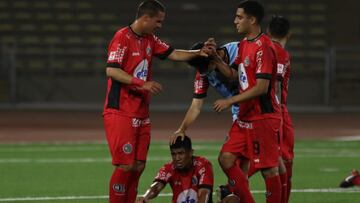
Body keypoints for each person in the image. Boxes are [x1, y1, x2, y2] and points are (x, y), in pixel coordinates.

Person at [103, 1, 213, 202]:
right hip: (121, 111)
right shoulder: (122, 37)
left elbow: (173, 53)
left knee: (138, 165)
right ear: (146, 18)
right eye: (158, 21)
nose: (160, 25)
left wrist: (198, 53)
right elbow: (111, 70)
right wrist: (141, 83)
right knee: (126, 165)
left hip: (141, 112)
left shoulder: (150, 39)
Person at [211, 1, 282, 203]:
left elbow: (262, 87)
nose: (235, 21)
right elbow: (233, 75)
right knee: (225, 158)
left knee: (268, 169)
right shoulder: (244, 44)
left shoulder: (264, 47)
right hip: (245, 116)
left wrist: (230, 100)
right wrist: (217, 60)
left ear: (252, 20)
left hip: (263, 117)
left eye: (239, 17)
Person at [174, 41, 240, 137]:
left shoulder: (238, 51)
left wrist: (230, 101)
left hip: (260, 107)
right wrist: (182, 129)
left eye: (207, 68)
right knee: (230, 149)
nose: (206, 72)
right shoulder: (204, 72)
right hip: (240, 111)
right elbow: (195, 106)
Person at [136, 135, 214, 203]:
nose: (177, 158)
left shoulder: (203, 165)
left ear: (191, 152)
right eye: (173, 154)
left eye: (181, 153)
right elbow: (156, 186)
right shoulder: (169, 167)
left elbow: (204, 194)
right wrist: (145, 197)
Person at [268, 15, 293, 203]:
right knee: (282, 161)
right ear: (289, 34)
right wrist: (276, 112)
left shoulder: (265, 48)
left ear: (269, 32)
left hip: (270, 109)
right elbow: (276, 84)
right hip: (276, 110)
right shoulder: (279, 53)